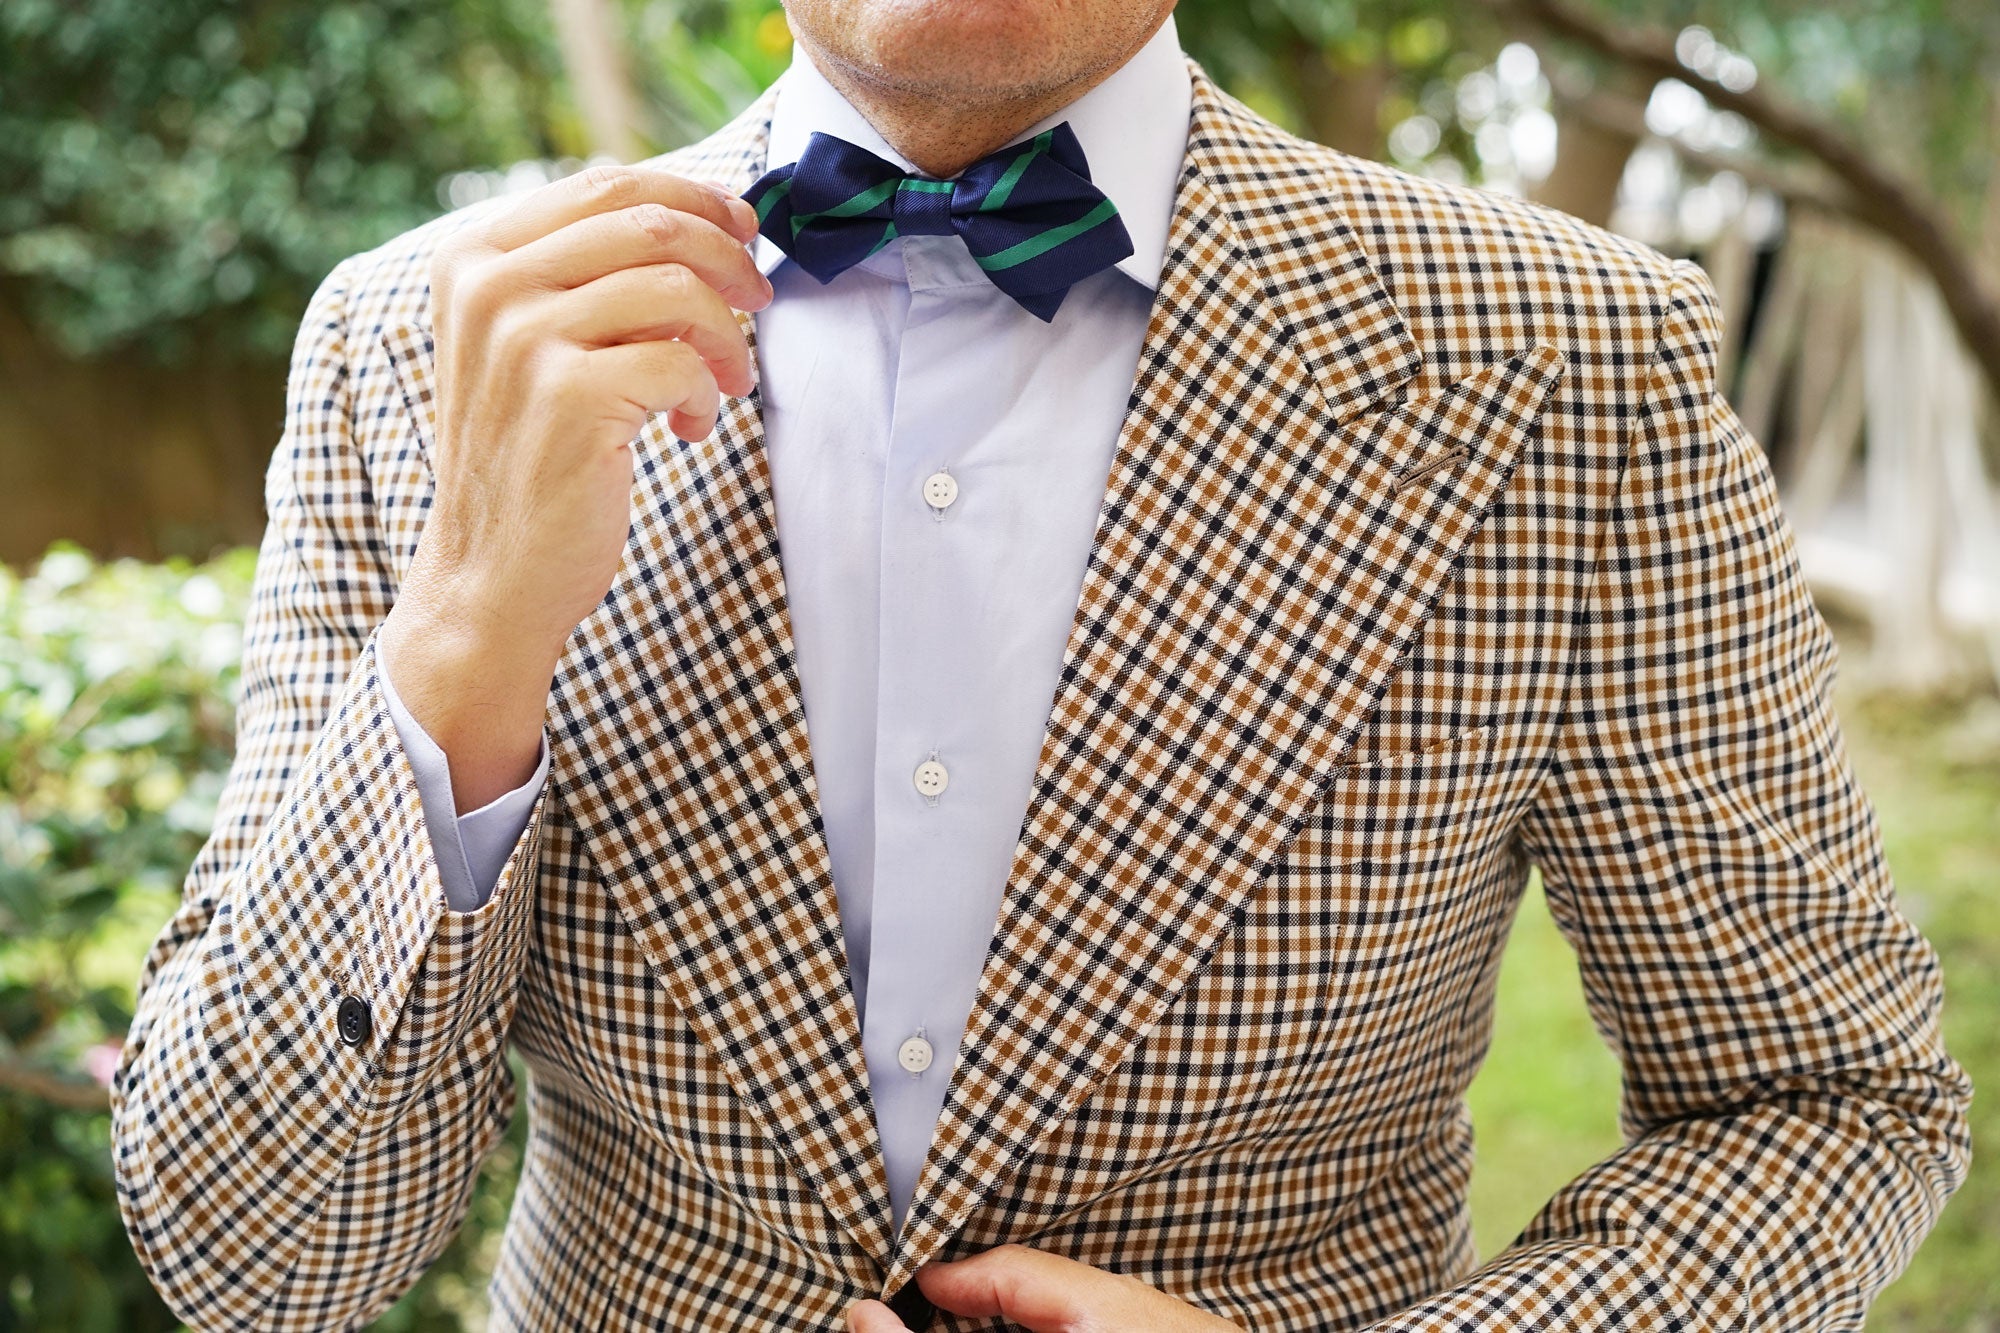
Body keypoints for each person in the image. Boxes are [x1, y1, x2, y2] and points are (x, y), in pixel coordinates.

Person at [111, 0, 1972, 1328]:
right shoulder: (409, 345)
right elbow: (259, 1262)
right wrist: (461, 631)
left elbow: (1827, 1107)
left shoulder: (1571, 359)